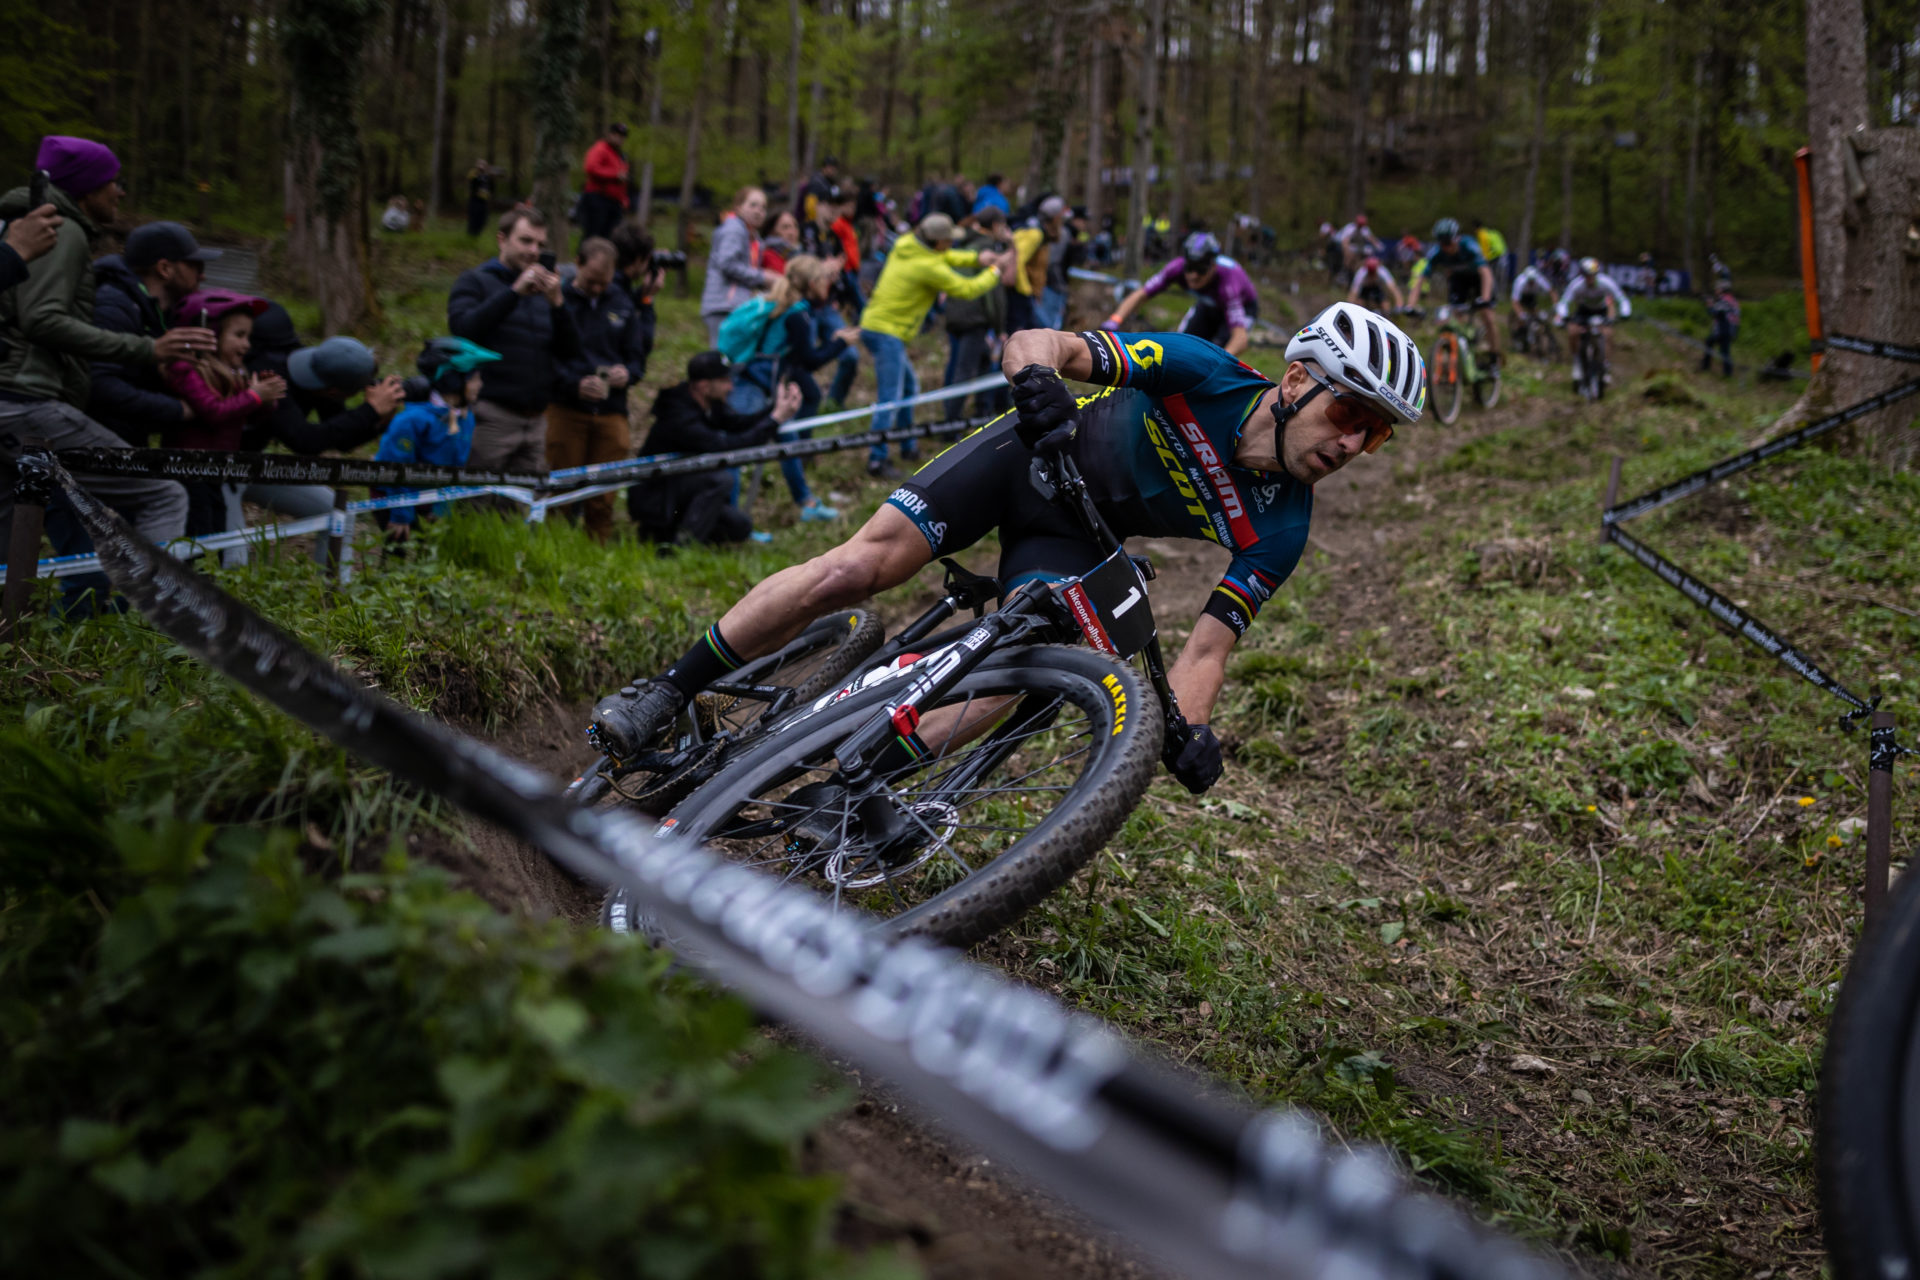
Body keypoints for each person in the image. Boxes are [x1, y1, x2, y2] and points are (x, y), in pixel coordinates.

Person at [587, 302, 1427, 798]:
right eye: (1350, 415)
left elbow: (1209, 646)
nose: (1353, 443)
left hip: (1067, 536)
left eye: (1376, 436)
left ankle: (848, 781)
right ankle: (666, 692)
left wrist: (1190, 731)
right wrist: (1041, 386)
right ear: (1293, 383)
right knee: (857, 569)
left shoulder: (1281, 528)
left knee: (1017, 680)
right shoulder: (1205, 371)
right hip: (1027, 458)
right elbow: (1044, 341)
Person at [0, 137, 212, 582]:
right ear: (87, 189)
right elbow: (41, 319)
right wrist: (146, 350)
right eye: (112, 182)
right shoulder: (61, 229)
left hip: (17, 398)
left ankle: (10, 638)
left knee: (10, 526)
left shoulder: (25, 222)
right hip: (27, 398)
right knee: (162, 493)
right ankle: (158, 619)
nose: (120, 192)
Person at [856, 212, 1011, 479]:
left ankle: (908, 445)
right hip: (886, 332)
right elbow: (967, 289)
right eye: (949, 241)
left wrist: (977, 258)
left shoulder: (908, 245)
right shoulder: (928, 268)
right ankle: (877, 459)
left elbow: (947, 257)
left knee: (908, 388)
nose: (951, 245)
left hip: (877, 325)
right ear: (938, 242)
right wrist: (995, 270)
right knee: (889, 399)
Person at [447, 206, 579, 474]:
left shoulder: (548, 293)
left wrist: (558, 304)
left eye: (540, 244)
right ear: (502, 240)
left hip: (537, 419)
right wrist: (514, 292)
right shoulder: (475, 281)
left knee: (522, 508)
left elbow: (571, 350)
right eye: (526, 240)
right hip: (490, 416)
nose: (534, 251)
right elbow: (463, 330)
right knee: (477, 502)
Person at [627, 351, 803, 548]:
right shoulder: (678, 414)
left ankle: (678, 536)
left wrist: (776, 410)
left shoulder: (711, 404)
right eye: (724, 380)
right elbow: (726, 447)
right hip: (657, 497)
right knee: (719, 480)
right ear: (704, 385)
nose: (731, 386)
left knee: (740, 526)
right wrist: (775, 419)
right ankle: (681, 546)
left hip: (683, 490)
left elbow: (739, 424)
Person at [158, 290, 289, 542]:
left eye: (248, 336)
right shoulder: (184, 369)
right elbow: (214, 412)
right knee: (199, 537)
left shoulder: (231, 374)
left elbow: (246, 418)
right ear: (210, 334)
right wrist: (255, 396)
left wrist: (265, 400)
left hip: (216, 471)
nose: (246, 344)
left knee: (216, 538)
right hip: (188, 471)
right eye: (239, 335)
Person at [550, 237, 648, 542]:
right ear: (577, 264)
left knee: (604, 490)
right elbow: (544, 355)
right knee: (560, 485)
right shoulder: (557, 298)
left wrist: (626, 374)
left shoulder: (621, 302)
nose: (597, 289)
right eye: (591, 281)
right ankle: (552, 544)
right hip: (566, 407)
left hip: (611, 409)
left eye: (603, 283)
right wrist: (574, 383)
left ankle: (597, 549)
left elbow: (637, 357)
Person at [89, 221, 218, 446]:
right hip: (99, 446)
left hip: (125, 439)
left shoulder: (158, 311)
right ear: (165, 269)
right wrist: (178, 409)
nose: (202, 276)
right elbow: (99, 386)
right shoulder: (113, 307)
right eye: (196, 266)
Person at [373, 338, 500, 540]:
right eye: (474, 379)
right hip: (393, 495)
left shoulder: (465, 418)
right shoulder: (412, 420)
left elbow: (455, 469)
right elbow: (394, 466)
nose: (480, 385)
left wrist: (443, 510)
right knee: (396, 552)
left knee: (429, 554)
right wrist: (401, 514)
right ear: (454, 380)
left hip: (430, 497)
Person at [770, 255, 854, 522]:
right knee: (785, 437)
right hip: (764, 382)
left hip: (778, 375)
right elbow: (810, 360)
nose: (829, 285)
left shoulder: (799, 309)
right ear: (814, 283)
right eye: (825, 279)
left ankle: (804, 453)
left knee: (813, 395)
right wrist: (840, 343)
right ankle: (805, 501)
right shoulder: (799, 315)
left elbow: (799, 361)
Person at [1101, 231, 1259, 355]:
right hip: (1208, 304)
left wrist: (1220, 364)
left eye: (1200, 269)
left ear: (1213, 266)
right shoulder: (1175, 268)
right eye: (1189, 268)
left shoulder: (1228, 283)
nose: (1193, 275)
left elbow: (1240, 339)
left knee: (1216, 352)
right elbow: (1141, 294)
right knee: (1183, 346)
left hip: (1243, 308)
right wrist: (1115, 319)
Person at [942, 208, 1011, 419]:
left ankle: (983, 410)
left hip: (955, 312)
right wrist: (1000, 328)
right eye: (1004, 226)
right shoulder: (986, 249)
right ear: (996, 226)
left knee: (982, 361)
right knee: (964, 372)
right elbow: (993, 295)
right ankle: (949, 424)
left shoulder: (967, 244)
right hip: (972, 317)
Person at [1408, 218, 1499, 368]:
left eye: (1448, 243)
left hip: (1478, 281)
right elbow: (1420, 279)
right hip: (1459, 282)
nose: (1446, 248)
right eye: (1442, 244)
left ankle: (1494, 356)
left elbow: (1486, 272)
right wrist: (1411, 305)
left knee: (1487, 315)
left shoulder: (1469, 246)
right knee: (1455, 317)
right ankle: (1460, 356)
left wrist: (1485, 298)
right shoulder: (1436, 253)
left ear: (1456, 239)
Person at [701, 186, 777, 344]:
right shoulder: (734, 229)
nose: (758, 211)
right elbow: (727, 264)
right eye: (753, 205)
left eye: (763, 207)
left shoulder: (751, 235)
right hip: (723, 305)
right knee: (722, 360)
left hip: (733, 305)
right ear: (738, 207)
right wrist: (763, 277)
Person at [1554, 257, 1631, 388]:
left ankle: (1605, 365)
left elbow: (1621, 298)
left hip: (1601, 311)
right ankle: (1577, 362)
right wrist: (1564, 315)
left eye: (1592, 275)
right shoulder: (1576, 285)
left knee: (1607, 335)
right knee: (1573, 332)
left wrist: (1625, 312)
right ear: (1582, 275)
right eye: (1587, 275)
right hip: (1583, 312)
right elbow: (1564, 302)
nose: (1590, 278)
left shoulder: (1606, 282)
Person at [580, 122, 631, 240]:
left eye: (622, 136)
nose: (619, 139)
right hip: (598, 199)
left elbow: (623, 181)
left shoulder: (620, 155)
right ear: (610, 134)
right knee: (593, 235)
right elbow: (591, 168)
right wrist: (615, 175)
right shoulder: (600, 148)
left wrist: (624, 200)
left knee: (610, 237)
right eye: (617, 135)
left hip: (614, 203)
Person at [1508, 259, 1558, 345]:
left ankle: (1536, 338)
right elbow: (1515, 301)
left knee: (1537, 316)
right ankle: (1517, 336)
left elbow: (1552, 292)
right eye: (1530, 281)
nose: (1531, 282)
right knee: (1522, 319)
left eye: (1533, 281)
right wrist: (1521, 314)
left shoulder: (1539, 279)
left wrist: (1555, 305)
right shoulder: (1520, 281)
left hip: (1531, 297)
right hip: (1521, 298)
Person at [1702, 283, 1739, 378]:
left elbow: (1715, 313)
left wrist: (1709, 305)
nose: (1715, 290)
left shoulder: (1724, 300)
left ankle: (1706, 367)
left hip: (1723, 330)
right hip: (1731, 329)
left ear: (1722, 290)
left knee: (1714, 346)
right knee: (1723, 351)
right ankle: (1727, 373)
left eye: (1717, 288)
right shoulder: (1732, 300)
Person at [1471, 218, 1510, 295]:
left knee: (1491, 276)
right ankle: (1499, 295)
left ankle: (1493, 295)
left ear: (1475, 227)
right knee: (1500, 277)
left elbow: (1485, 249)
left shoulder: (1481, 234)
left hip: (1493, 258)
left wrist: (1483, 260)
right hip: (1502, 255)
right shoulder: (1489, 232)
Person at [762, 209, 801, 276]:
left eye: (795, 226)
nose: (792, 232)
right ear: (772, 232)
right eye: (785, 227)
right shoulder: (767, 255)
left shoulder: (799, 254)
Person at [467, 161, 498, 237]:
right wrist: (477, 171)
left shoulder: (487, 177)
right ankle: (471, 234)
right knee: (474, 217)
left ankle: (478, 233)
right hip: (474, 200)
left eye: (483, 165)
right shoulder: (474, 174)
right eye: (480, 165)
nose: (482, 167)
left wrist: (492, 177)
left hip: (484, 201)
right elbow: (471, 180)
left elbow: (491, 188)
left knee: (483, 218)